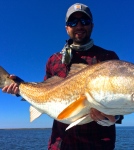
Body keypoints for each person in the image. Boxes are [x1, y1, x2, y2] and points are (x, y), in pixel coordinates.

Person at [2, 3, 123, 150]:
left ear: (92, 25)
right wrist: (19, 86)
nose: (79, 26)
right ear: (67, 28)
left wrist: (113, 117)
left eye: (84, 21)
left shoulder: (109, 58)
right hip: (60, 143)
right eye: (73, 22)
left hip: (99, 144)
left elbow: (123, 101)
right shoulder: (53, 60)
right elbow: (44, 92)